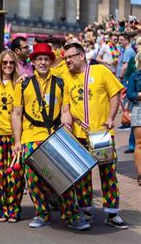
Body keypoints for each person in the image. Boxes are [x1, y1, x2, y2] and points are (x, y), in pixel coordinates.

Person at [11, 43, 89, 230]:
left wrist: (66, 126)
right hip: (31, 137)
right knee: (34, 179)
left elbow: (65, 110)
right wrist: (18, 141)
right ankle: (42, 214)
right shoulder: (23, 84)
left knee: (64, 177)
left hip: (54, 136)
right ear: (34, 62)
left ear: (50, 61)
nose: (43, 62)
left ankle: (71, 215)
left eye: (46, 59)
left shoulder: (61, 82)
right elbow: (16, 114)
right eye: (39, 59)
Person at [62, 42, 128, 229]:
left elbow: (115, 94)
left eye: (70, 57)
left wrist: (110, 117)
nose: (67, 61)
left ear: (81, 56)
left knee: (107, 172)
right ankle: (86, 210)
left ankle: (112, 212)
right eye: (65, 58)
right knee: (82, 174)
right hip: (78, 135)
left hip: (101, 134)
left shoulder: (100, 71)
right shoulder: (66, 77)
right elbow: (66, 106)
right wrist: (66, 124)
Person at [0, 50, 22, 222]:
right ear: (0, 65)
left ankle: (14, 208)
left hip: (14, 136)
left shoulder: (20, 84)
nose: (8, 66)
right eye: (5, 63)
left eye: (11, 63)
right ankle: (3, 207)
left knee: (15, 175)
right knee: (0, 174)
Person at [127, 50, 141, 186]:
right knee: (139, 143)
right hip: (139, 109)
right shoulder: (135, 75)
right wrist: (140, 94)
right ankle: (140, 174)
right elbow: (130, 94)